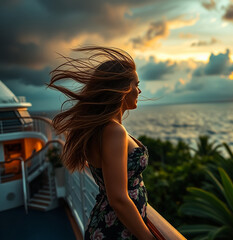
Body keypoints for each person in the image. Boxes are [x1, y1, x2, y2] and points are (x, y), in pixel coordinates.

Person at [48, 46, 155, 240]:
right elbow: (118, 198)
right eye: (136, 84)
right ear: (122, 88)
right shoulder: (113, 131)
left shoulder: (100, 129)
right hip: (117, 230)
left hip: (108, 224)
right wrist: (148, 237)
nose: (139, 90)